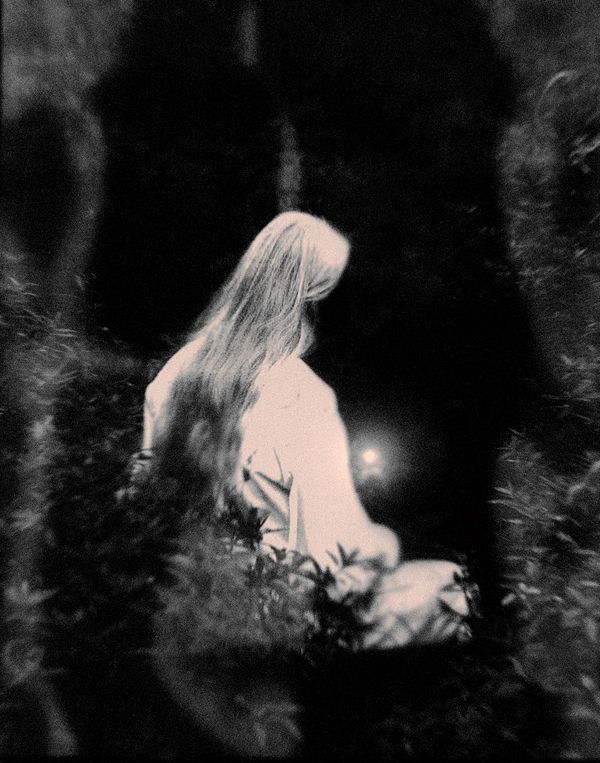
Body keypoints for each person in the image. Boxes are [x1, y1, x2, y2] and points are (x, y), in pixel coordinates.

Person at [137, 210, 474, 649]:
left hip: (186, 601)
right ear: (311, 300)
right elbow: (333, 560)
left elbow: (145, 497)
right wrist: (385, 544)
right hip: (273, 621)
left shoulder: (174, 373)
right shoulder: (302, 394)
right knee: (453, 587)